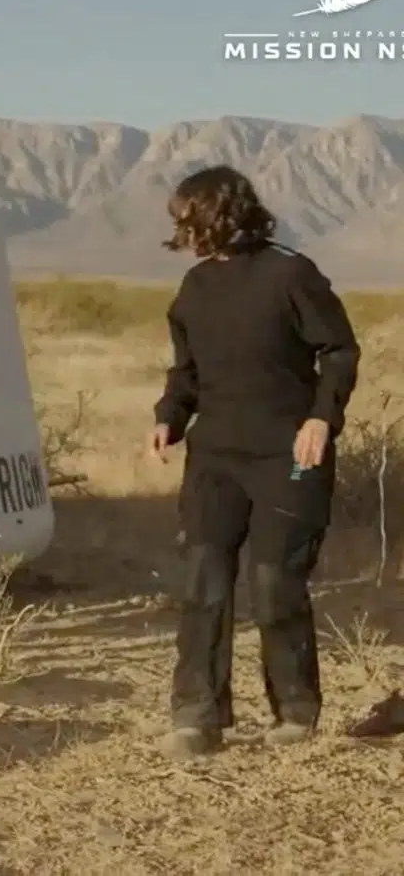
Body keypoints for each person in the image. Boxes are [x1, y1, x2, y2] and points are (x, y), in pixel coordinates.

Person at [148, 164, 360, 758]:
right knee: (203, 581)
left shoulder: (291, 274)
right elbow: (187, 370)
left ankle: (295, 711)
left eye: (187, 220)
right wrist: (168, 416)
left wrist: (321, 418)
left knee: (274, 582)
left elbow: (339, 351)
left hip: (287, 456)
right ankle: (197, 717)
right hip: (215, 456)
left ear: (219, 214)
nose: (180, 232)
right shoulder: (194, 288)